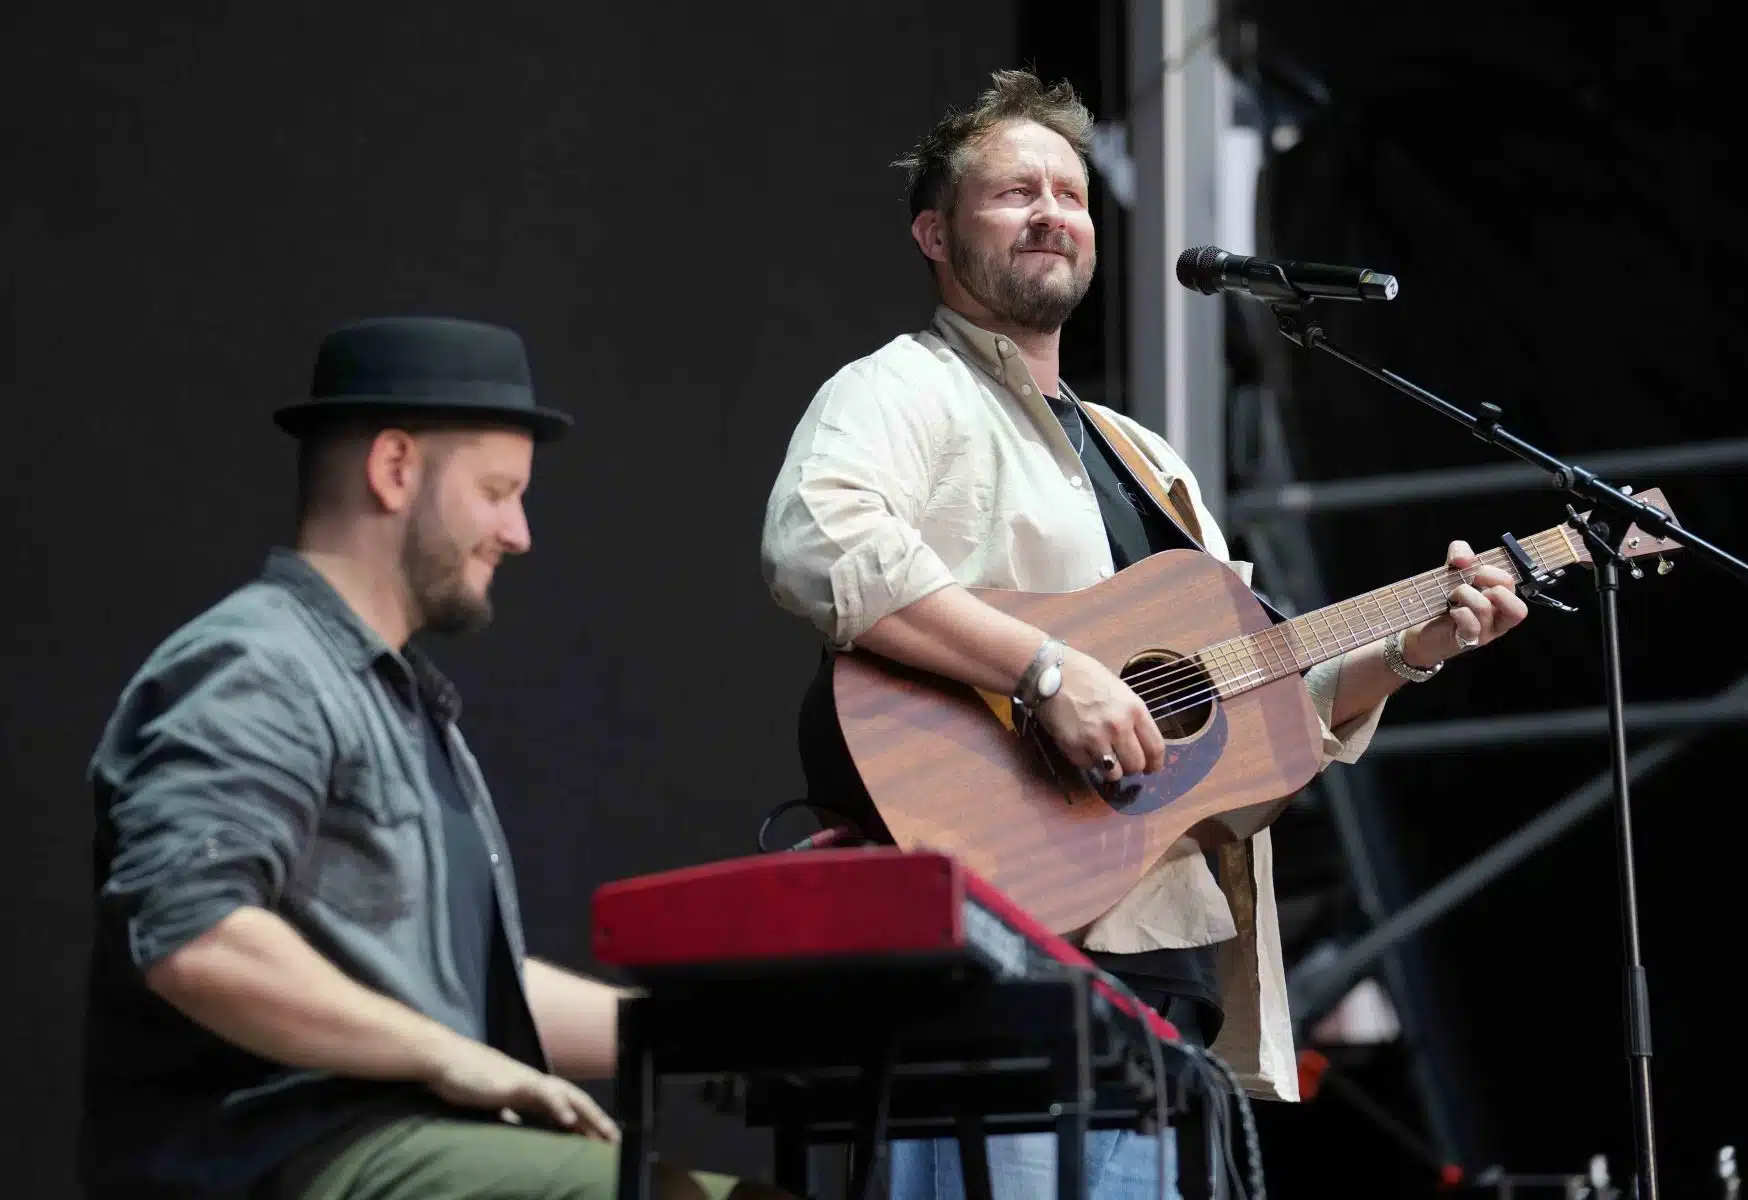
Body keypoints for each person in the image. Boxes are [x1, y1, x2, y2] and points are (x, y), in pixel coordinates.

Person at [758, 70, 1530, 1199]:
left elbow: (1258, 720)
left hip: (1161, 993)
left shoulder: (1146, 458)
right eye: (1014, 191)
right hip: (998, 969)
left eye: (1070, 193)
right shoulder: (899, 390)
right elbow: (816, 541)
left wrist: (1413, 652)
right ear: (933, 231)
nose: (1052, 212)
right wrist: (1044, 667)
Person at [81, 316, 789, 1200]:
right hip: (285, 1162)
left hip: (393, 1146)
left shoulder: (404, 704)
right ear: (395, 469)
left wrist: (715, 1040)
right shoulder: (256, 665)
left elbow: (461, 991)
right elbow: (193, 935)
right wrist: (445, 1056)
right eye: (497, 490)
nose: (519, 531)